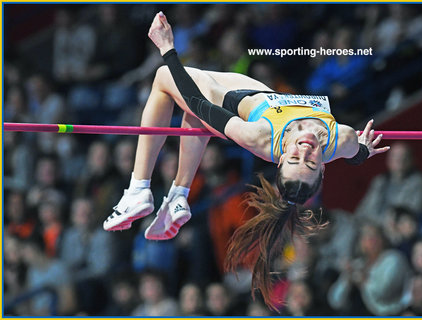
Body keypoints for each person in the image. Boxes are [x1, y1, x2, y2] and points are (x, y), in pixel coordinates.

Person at [103, 12, 389, 309]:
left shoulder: (261, 138)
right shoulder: (341, 139)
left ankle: (139, 188)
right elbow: (356, 155)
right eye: (312, 162)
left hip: (232, 99)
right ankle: (178, 195)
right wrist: (364, 150)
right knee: (192, 115)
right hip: (260, 90)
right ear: (324, 166)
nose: (305, 151)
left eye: (295, 159)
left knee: (165, 78)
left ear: (280, 162)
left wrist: (168, 50)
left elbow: (200, 105)